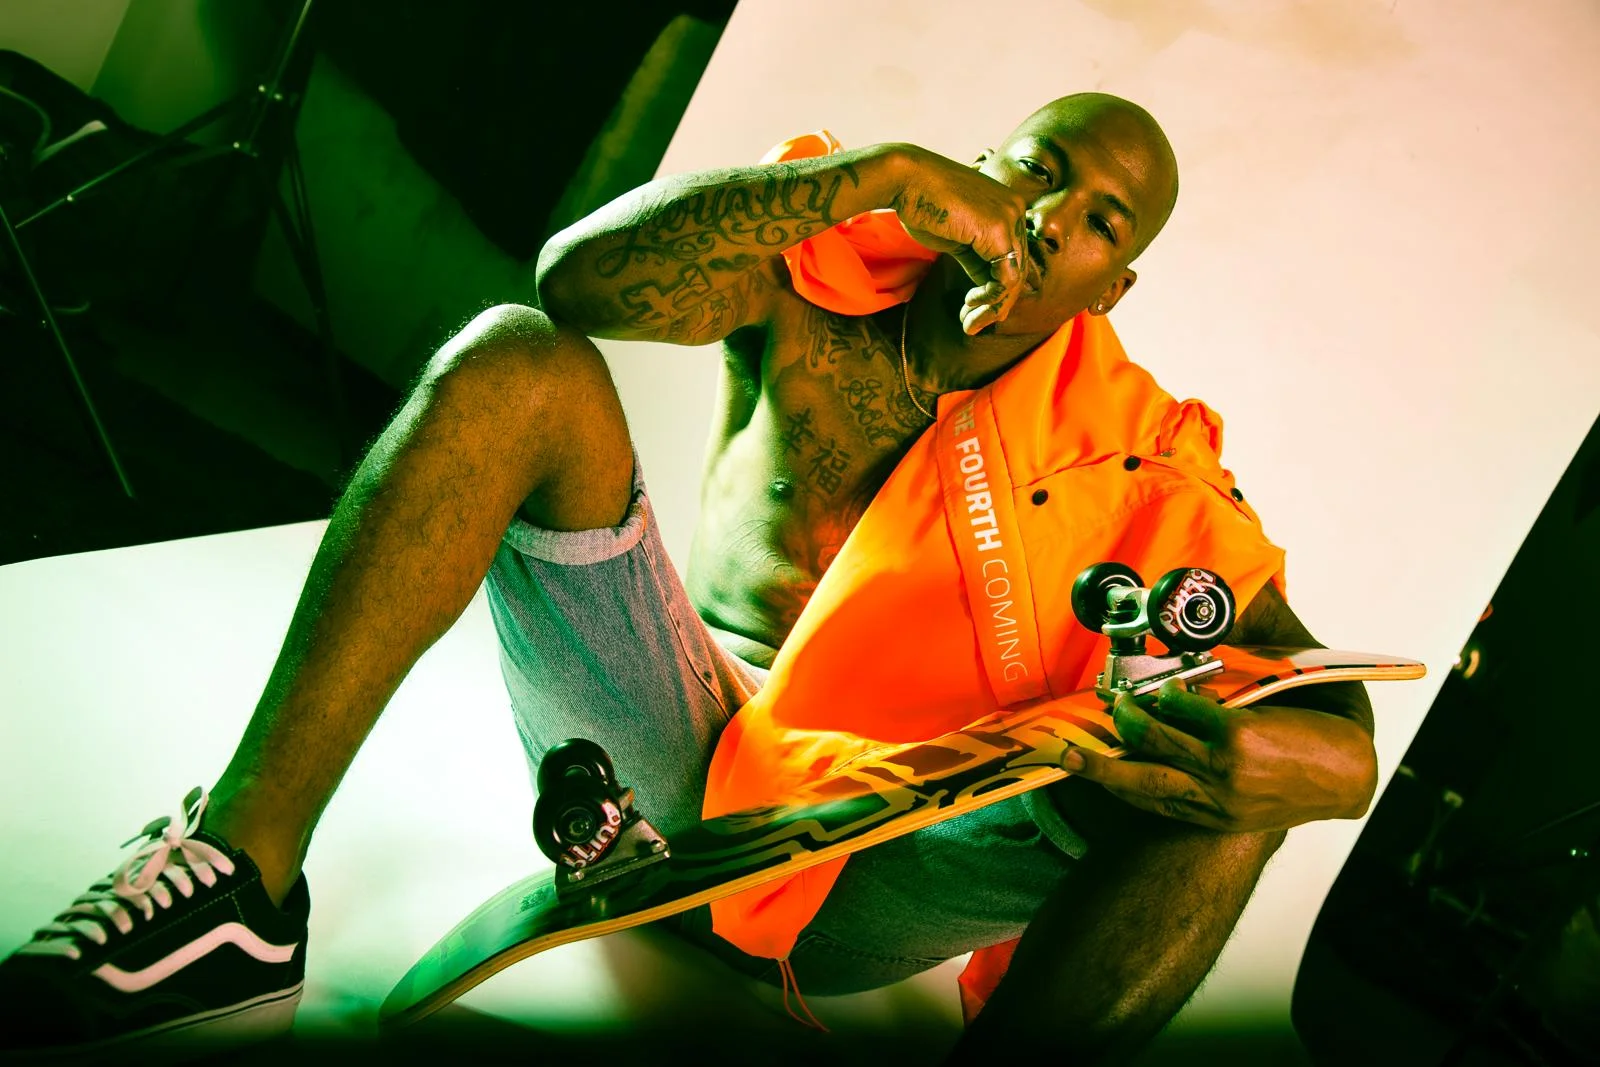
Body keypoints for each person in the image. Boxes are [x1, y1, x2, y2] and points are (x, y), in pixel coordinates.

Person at [0, 92, 1380, 1062]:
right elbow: (577, 283)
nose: (1052, 214)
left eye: (1102, 220)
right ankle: (237, 892)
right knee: (514, 356)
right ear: (974, 170)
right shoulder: (828, 257)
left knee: (1232, 792)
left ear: (1112, 289)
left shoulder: (1137, 450)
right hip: (656, 738)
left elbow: (1323, 693)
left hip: (870, 861)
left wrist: (1327, 768)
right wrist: (862, 178)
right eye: (1037, 167)